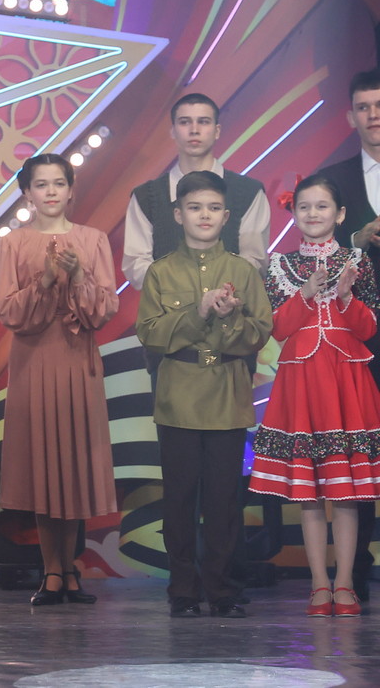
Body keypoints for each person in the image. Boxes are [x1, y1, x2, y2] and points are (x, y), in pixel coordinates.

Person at [136, 170, 273, 618]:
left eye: (214, 208)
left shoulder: (242, 271)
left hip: (227, 397)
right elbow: (150, 333)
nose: (205, 215)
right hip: (177, 397)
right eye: (195, 207)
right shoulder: (160, 272)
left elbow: (259, 333)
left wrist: (230, 317)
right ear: (178, 214)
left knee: (223, 501)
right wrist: (197, 313)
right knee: (179, 499)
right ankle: (183, 589)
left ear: (227, 216)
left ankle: (222, 589)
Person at [248, 175, 380, 617]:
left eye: (322, 206)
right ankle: (319, 584)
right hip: (301, 381)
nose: (313, 214)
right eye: (304, 206)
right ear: (294, 213)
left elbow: (369, 327)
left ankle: (345, 584)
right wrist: (305, 293)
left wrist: (344, 297)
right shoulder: (280, 266)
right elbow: (277, 329)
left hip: (346, 379)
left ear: (340, 214)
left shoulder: (357, 260)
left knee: (345, 492)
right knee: (309, 495)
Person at [0, 154, 119, 605]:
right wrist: (46, 279)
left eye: (58, 183)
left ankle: (70, 569)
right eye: (41, 184)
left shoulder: (93, 239)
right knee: (45, 465)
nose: (50, 191)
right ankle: (51, 570)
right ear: (26, 193)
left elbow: (103, 309)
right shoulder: (13, 244)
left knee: (73, 465)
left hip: (78, 362)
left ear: (71, 189)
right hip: (35, 362)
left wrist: (79, 275)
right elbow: (9, 313)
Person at [318, 67, 380, 598]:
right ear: (350, 116)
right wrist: (358, 239)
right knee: (358, 449)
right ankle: (352, 572)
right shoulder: (334, 178)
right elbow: (320, 246)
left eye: (379, 105)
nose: (373, 115)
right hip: (358, 338)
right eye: (364, 107)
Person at [122, 92, 270, 291]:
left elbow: (254, 261)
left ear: (217, 131)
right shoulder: (145, 196)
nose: (194, 130)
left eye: (203, 122)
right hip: (166, 306)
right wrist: (183, 290)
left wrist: (217, 292)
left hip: (231, 305)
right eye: (185, 122)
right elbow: (136, 264)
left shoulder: (249, 192)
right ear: (173, 131)